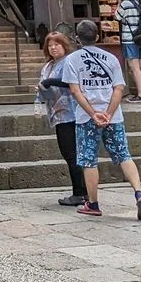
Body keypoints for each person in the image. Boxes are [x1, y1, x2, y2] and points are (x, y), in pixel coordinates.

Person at [62, 19, 141, 220]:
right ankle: (139, 193)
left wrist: (94, 114)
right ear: (97, 37)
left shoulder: (72, 60)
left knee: (88, 160)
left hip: (87, 117)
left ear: (77, 38)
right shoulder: (111, 58)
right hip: (114, 116)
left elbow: (75, 91)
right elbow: (119, 88)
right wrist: (109, 113)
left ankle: (93, 203)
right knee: (123, 155)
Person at [37, 31, 88, 207]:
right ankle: (82, 191)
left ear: (64, 45)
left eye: (56, 44)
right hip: (57, 113)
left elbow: (71, 81)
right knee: (69, 154)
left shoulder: (70, 61)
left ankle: (80, 192)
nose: (53, 48)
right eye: (50, 45)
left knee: (72, 153)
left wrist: (51, 82)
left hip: (71, 112)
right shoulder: (48, 66)